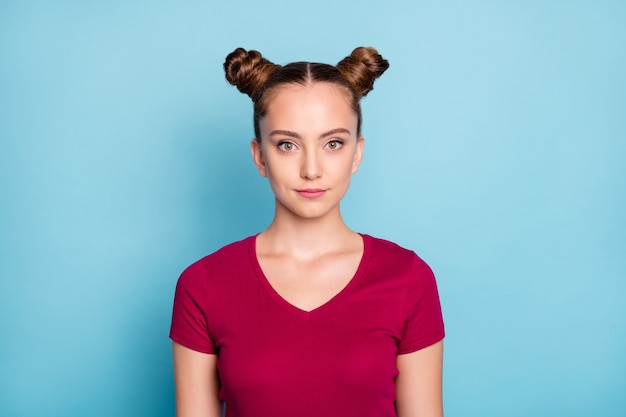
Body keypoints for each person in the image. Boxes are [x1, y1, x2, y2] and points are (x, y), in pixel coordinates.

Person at [169, 46, 445, 417]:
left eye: (333, 143)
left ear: (357, 153)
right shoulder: (203, 284)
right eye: (287, 144)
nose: (311, 169)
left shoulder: (408, 279)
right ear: (259, 156)